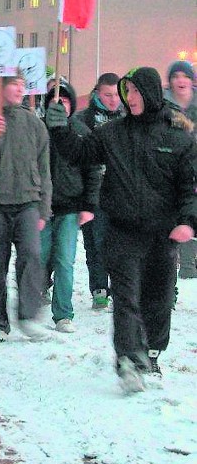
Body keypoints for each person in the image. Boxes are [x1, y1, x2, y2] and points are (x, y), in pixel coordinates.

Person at [45, 67, 196, 392]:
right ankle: (128, 359)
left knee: (157, 298)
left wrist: (187, 221)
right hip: (122, 230)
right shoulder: (113, 133)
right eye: (128, 92)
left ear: (152, 93)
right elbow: (80, 153)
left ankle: (152, 353)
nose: (132, 98)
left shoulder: (178, 135)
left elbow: (189, 187)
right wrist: (59, 128)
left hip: (162, 233)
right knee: (125, 297)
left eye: (137, 92)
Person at [0, 74, 52, 343]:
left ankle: (29, 315)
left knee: (31, 255)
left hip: (28, 201)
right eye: (13, 83)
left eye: (22, 84)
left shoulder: (34, 123)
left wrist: (44, 207)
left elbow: (44, 168)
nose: (20, 88)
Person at [40, 80, 102, 333]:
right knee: (40, 257)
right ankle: (35, 296)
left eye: (64, 101)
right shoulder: (39, 130)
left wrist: (89, 205)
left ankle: (63, 314)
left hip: (69, 206)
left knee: (65, 260)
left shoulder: (81, 131)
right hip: (41, 206)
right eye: (55, 101)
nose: (60, 105)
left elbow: (93, 170)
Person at [73, 72, 124, 308]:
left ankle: (121, 286)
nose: (113, 100)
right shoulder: (85, 119)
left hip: (121, 190)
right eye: (108, 95)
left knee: (120, 242)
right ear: (97, 93)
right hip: (93, 190)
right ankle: (99, 288)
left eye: (116, 95)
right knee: (95, 242)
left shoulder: (127, 117)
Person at [163, 61, 197, 278]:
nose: (180, 80)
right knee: (175, 218)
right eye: (175, 76)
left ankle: (188, 264)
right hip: (171, 172)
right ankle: (178, 271)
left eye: (185, 76)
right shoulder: (163, 108)